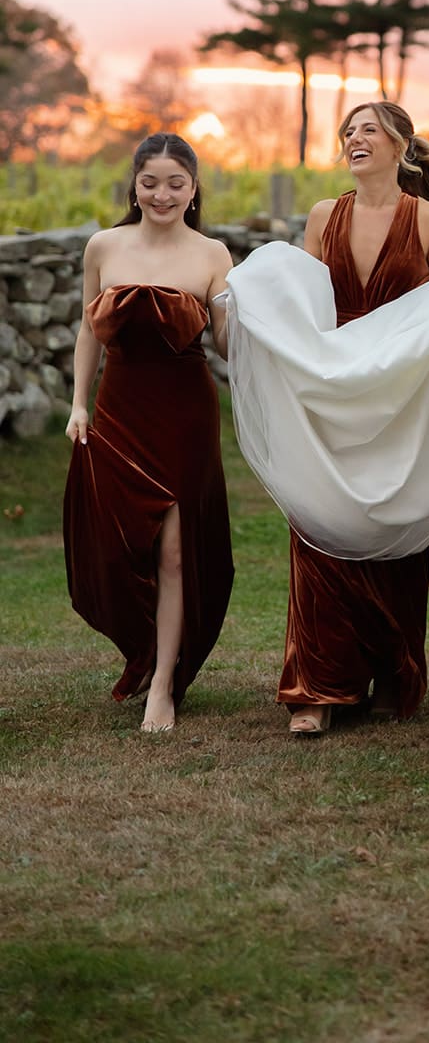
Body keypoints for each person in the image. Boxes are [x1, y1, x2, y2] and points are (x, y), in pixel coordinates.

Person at [265, 101, 429, 736]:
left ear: (400, 145)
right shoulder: (322, 217)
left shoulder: (428, 219)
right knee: (318, 522)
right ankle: (315, 686)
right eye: (348, 131)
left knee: (395, 523)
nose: (354, 138)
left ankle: (395, 673)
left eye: (369, 129)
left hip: (403, 396)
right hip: (336, 391)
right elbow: (305, 304)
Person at [63, 133, 234, 734]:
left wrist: (246, 311)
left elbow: (226, 345)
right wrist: (78, 403)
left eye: (176, 183)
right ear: (134, 187)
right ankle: (143, 650)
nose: (162, 194)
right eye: (151, 182)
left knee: (173, 551)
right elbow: (89, 332)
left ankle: (163, 683)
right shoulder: (103, 246)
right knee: (115, 545)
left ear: (193, 190)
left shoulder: (213, 255)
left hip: (185, 410)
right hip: (119, 404)